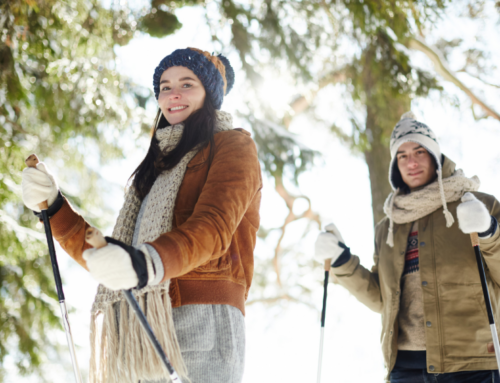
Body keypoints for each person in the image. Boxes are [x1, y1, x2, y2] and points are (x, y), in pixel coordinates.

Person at [21, 48, 262, 383]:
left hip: (202, 319)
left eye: (187, 84)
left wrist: (142, 264)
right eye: (165, 86)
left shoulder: (232, 146)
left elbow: (213, 228)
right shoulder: (155, 169)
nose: (173, 94)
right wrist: (53, 207)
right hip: (140, 323)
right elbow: (113, 257)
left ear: (209, 94)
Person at [314, 112, 500, 383]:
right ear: (394, 165)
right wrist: (340, 260)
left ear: (436, 156)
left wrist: (488, 231)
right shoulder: (387, 228)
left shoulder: (478, 205)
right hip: (406, 367)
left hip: (472, 362)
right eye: (402, 155)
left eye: (419, 151)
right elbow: (383, 299)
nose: (411, 162)